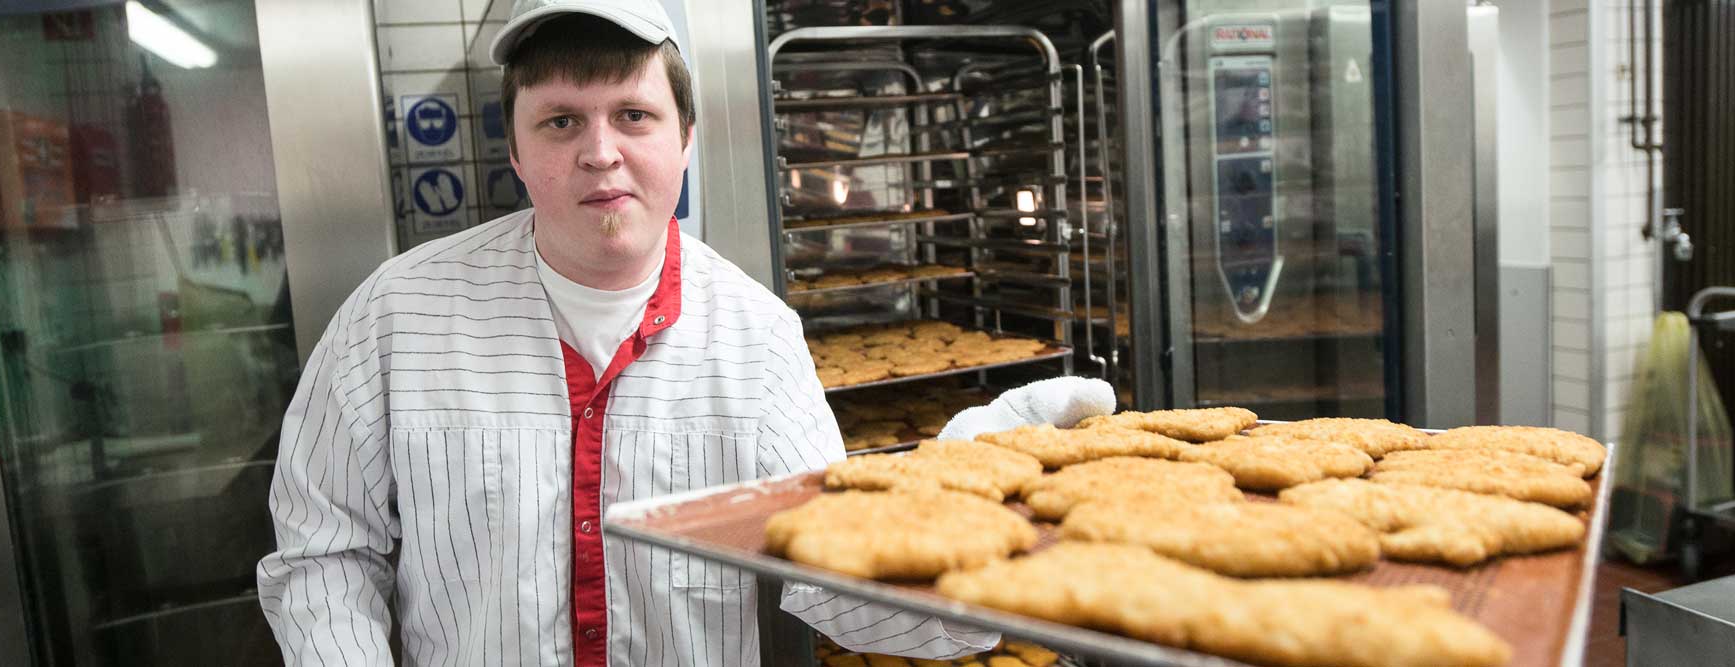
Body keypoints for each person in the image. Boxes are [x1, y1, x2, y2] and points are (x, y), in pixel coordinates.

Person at [255, 0, 1110, 664]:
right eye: (560, 120)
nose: (600, 152)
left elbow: (843, 591)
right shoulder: (395, 318)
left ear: (686, 139)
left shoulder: (756, 337)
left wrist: (967, 499)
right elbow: (322, 555)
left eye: (633, 114)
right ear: (514, 152)